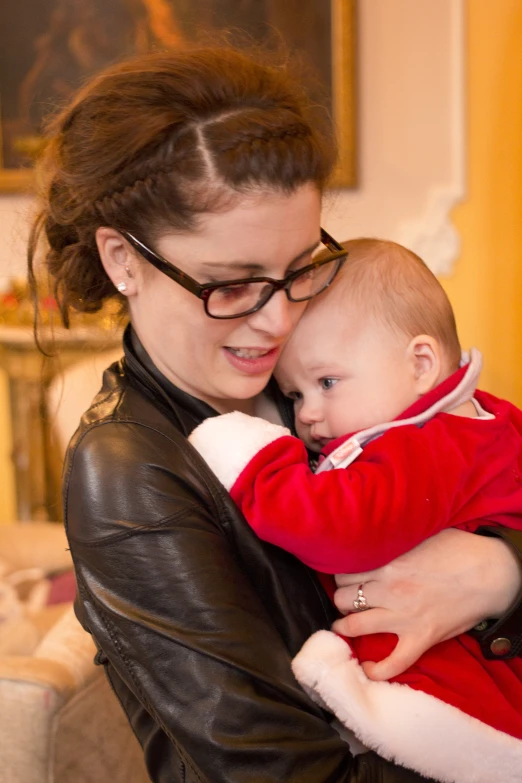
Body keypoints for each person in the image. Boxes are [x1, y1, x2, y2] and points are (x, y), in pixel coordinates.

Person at [28, 47, 522, 783]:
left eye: (298, 270)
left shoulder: (322, 380)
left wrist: (501, 571)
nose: (276, 318)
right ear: (123, 261)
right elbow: (283, 772)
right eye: (231, 285)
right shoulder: (126, 475)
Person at [188, 238, 522, 783]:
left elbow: (340, 529)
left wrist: (256, 463)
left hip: (473, 706)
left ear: (420, 363)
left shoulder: (431, 446)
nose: (309, 416)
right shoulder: (490, 417)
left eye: (327, 382)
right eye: (293, 396)